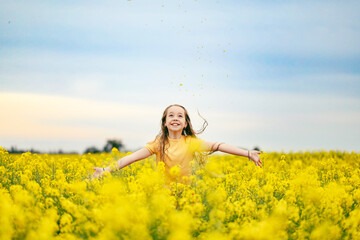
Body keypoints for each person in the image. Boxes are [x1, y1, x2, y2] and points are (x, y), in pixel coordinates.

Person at [92, 104, 262, 183]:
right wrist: (106, 170)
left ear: (185, 123)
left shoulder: (191, 143)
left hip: (187, 195)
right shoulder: (158, 144)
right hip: (164, 195)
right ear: (165, 123)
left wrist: (248, 153)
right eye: (171, 115)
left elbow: (218, 145)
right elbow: (131, 158)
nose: (175, 118)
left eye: (180, 116)